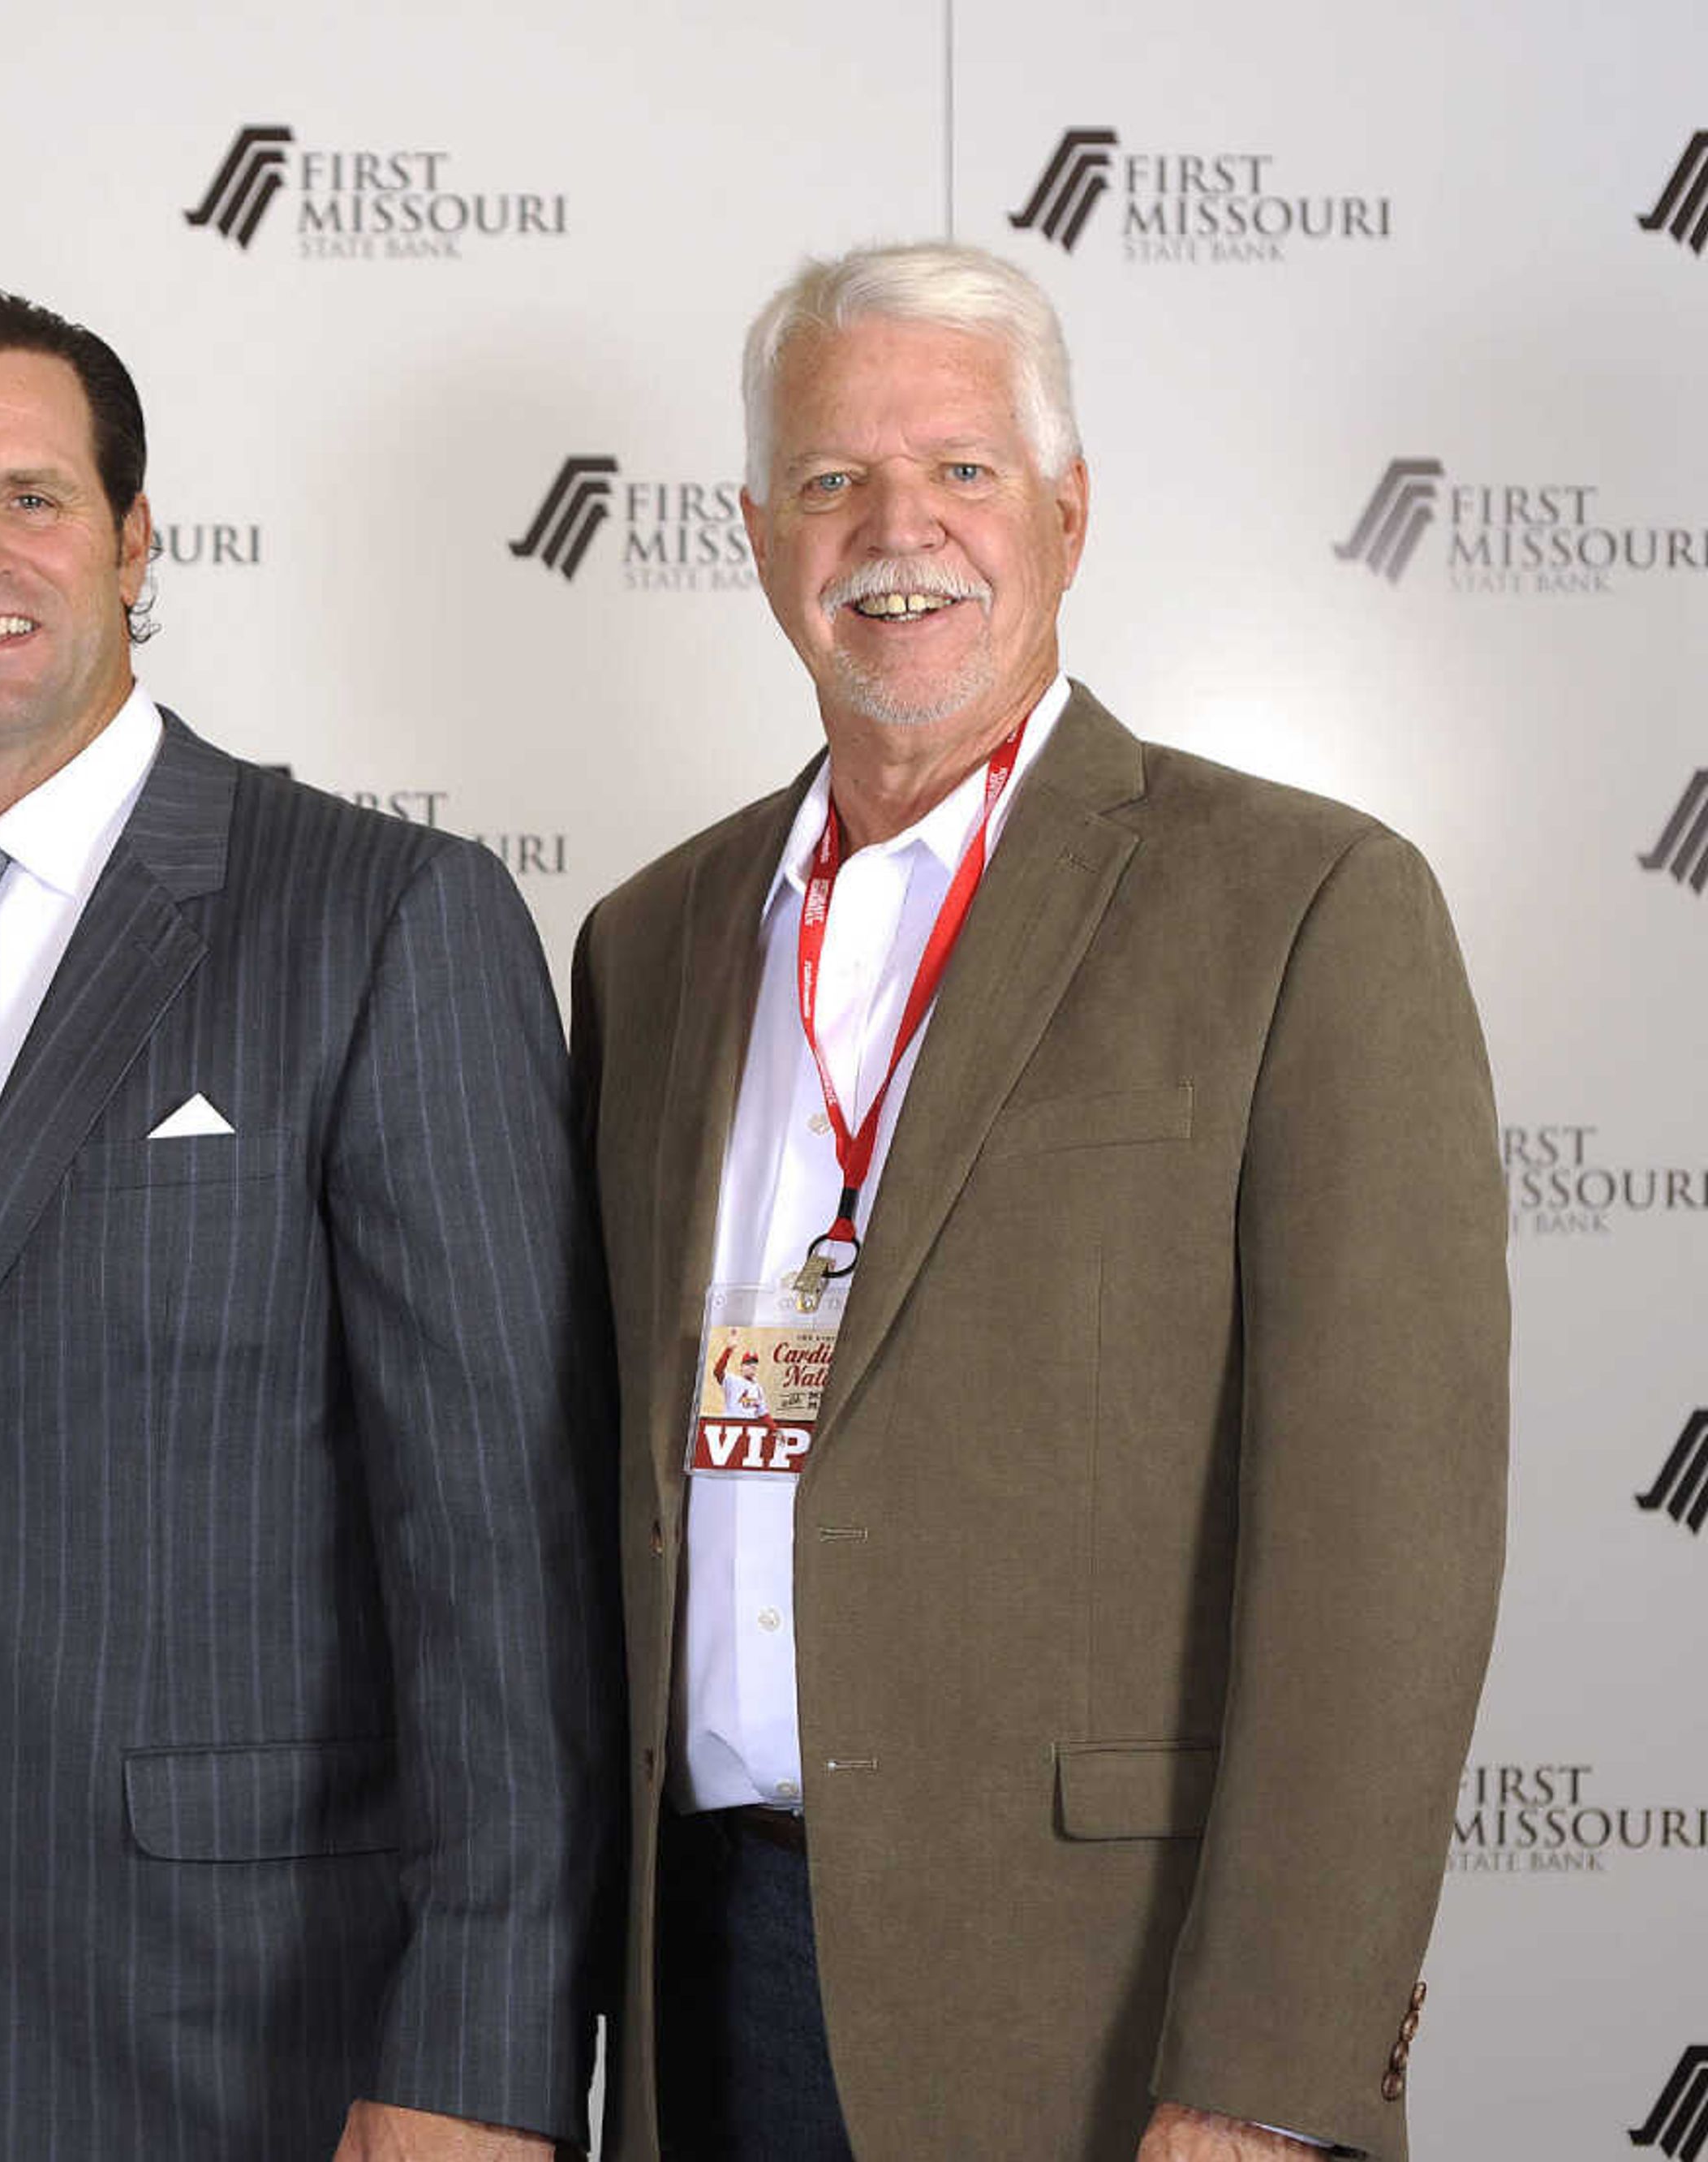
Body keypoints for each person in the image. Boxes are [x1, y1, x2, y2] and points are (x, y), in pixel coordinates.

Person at [572, 243, 1506, 2161]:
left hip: (1104, 2004)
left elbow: (1384, 1556)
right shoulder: (649, 943)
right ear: (760, 541)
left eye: (963, 471)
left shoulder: (1306, 905)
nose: (896, 530)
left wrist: (1268, 2070)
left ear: (1069, 513)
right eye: (833, 481)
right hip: (705, 1984)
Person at [0, 290, 617, 2162]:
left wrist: (478, 2061)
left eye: (33, 495)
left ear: (132, 539)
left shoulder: (380, 919)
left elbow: (505, 1551)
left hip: (280, 2047)